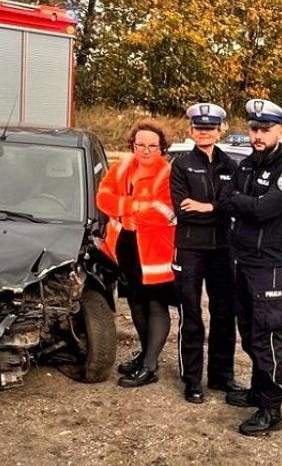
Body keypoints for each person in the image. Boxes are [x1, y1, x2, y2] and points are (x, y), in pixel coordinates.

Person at [212, 99, 282, 436]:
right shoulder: (247, 165)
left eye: (265, 129)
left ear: (281, 131)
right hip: (243, 260)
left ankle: (271, 408)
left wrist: (241, 202)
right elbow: (225, 199)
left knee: (266, 336)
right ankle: (257, 389)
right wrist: (244, 203)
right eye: (253, 129)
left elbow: (265, 210)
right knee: (249, 333)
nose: (258, 135)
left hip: (269, 266)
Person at [96, 119, 177, 387]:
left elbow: (162, 213)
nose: (145, 150)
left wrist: (125, 210)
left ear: (161, 147)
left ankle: (151, 366)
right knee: (136, 304)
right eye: (140, 144)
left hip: (154, 252)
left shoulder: (167, 174)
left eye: (152, 146)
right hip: (125, 249)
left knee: (155, 304)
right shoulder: (120, 168)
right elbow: (103, 199)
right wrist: (135, 206)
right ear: (132, 144)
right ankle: (145, 355)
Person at [170, 103, 241, 404]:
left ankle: (222, 376)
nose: (204, 133)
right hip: (189, 248)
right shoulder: (182, 164)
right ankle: (191, 380)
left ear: (220, 130)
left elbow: (233, 206)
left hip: (222, 249)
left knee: (224, 314)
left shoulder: (230, 166)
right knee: (192, 314)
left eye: (210, 128)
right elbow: (182, 210)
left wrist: (207, 207)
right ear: (191, 131)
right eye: (199, 128)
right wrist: (216, 209)